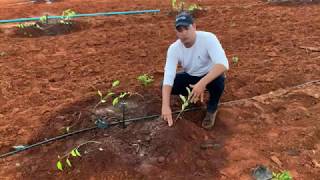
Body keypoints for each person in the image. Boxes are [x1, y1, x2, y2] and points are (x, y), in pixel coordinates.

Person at [161, 11, 229, 129]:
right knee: (167, 85)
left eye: (187, 28)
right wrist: (165, 106)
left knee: (219, 81)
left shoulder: (208, 38)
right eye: (180, 30)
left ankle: (212, 109)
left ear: (194, 27)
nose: (184, 33)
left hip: (210, 76)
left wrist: (202, 84)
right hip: (191, 76)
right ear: (176, 33)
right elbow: (168, 77)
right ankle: (193, 97)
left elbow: (223, 64)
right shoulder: (174, 49)